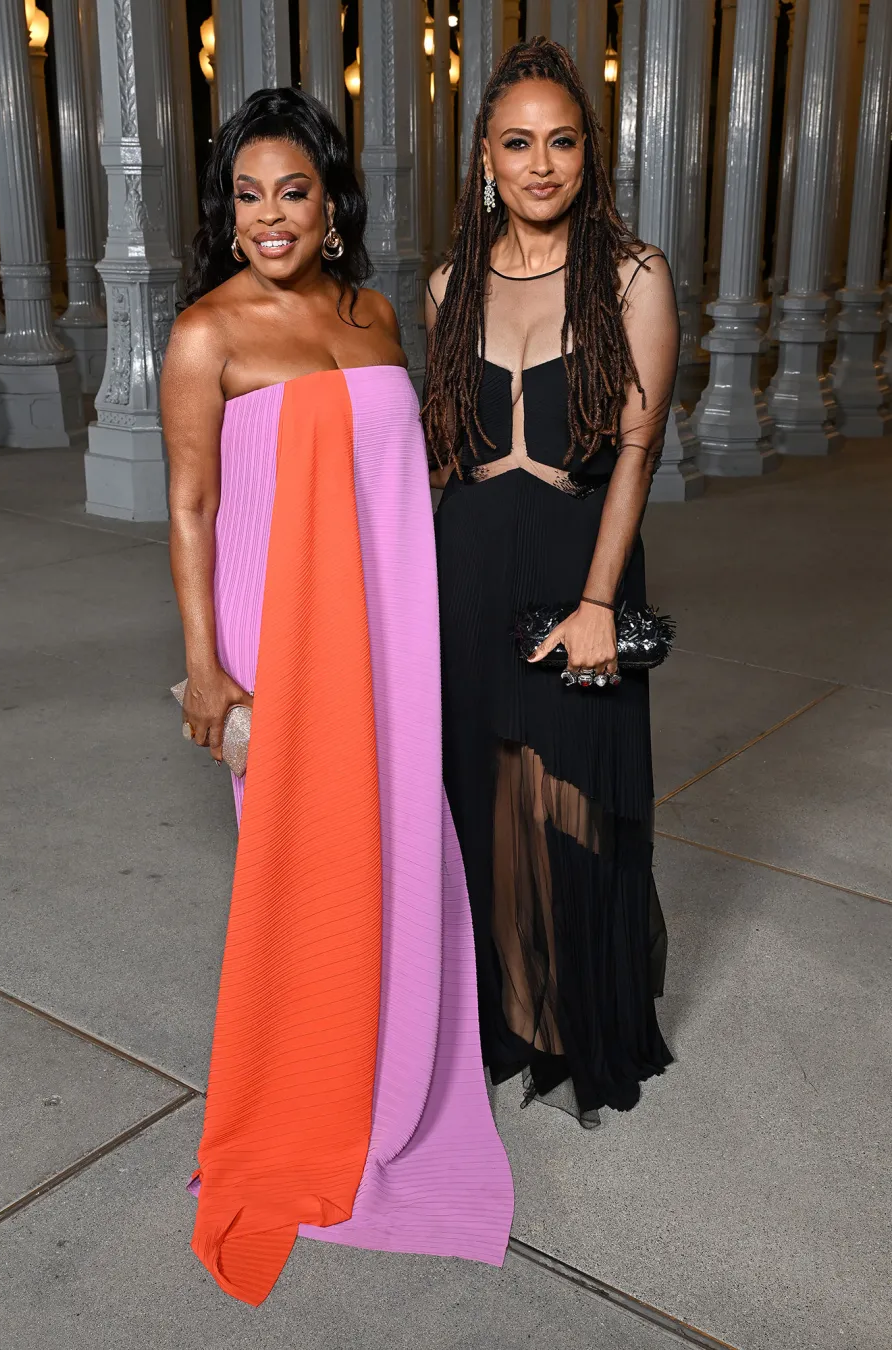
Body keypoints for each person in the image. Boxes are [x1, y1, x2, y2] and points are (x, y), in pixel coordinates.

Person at [161, 87, 512, 1308]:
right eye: (247, 195)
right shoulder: (206, 332)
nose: (270, 216)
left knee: (403, 844)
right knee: (304, 869)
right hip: (276, 638)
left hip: (386, 623)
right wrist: (208, 667)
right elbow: (192, 506)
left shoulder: (371, 314)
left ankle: (394, 1073)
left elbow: (394, 474)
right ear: (228, 211)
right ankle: (313, 1097)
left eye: (293, 192)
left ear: (331, 204)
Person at [424, 39, 675, 1130]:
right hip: (469, 562)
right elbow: (439, 457)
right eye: (517, 143)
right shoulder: (447, 283)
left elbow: (639, 450)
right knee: (484, 794)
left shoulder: (633, 276)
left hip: (579, 560)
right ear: (485, 155)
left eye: (561, 142)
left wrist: (599, 604)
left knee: (569, 793)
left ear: (588, 154)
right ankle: (507, 1012)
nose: (540, 165)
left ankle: (579, 1016)